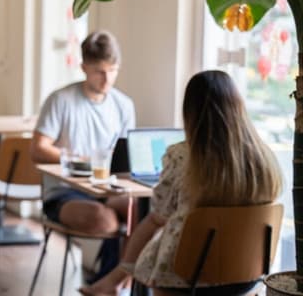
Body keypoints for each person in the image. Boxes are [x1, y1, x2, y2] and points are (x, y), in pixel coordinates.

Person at [80, 70, 282, 295]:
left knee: (152, 222)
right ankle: (115, 281)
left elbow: (160, 214)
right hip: (246, 276)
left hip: (185, 277)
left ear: (191, 112)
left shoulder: (181, 156)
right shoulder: (263, 158)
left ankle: (116, 280)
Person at [30, 30, 136, 277]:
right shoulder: (61, 100)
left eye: (113, 70)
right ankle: (108, 281)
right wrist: (78, 160)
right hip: (63, 191)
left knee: (138, 212)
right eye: (100, 71)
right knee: (106, 221)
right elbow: (37, 149)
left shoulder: (124, 105)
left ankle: (114, 283)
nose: (107, 78)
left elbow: (124, 155)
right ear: (84, 67)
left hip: (106, 187)